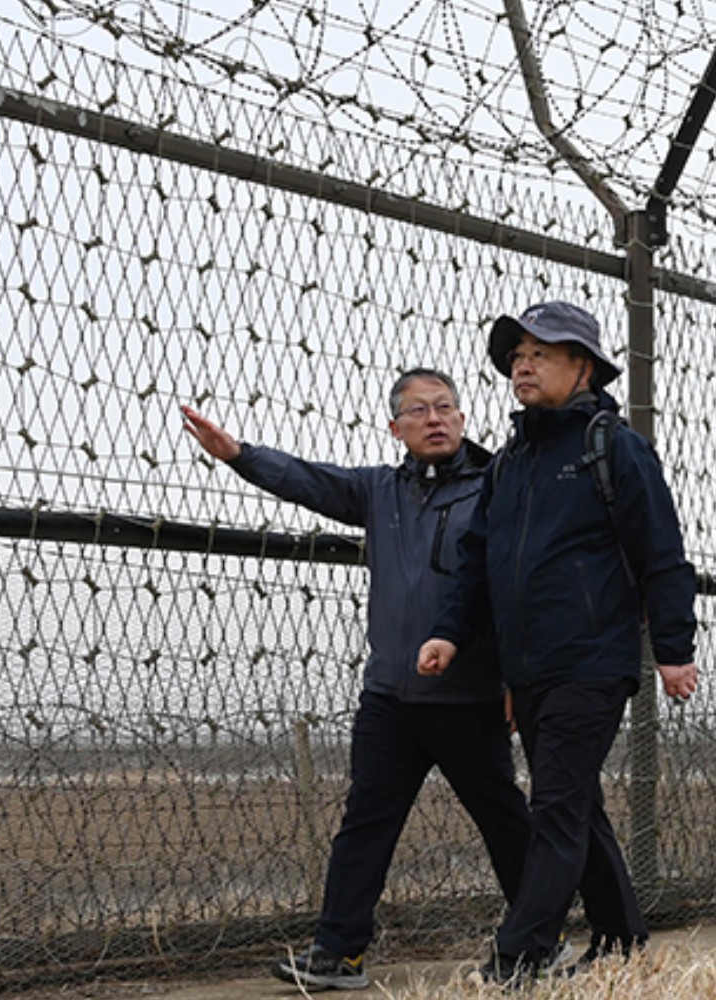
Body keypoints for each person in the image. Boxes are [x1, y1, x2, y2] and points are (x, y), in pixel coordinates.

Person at [179, 370, 531, 992]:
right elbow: (309, 481)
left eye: (446, 407)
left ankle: (537, 940)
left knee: (504, 821)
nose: (435, 419)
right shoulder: (378, 491)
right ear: (396, 428)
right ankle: (339, 954)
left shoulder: (499, 487)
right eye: (419, 410)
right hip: (390, 699)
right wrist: (238, 455)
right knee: (365, 824)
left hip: (469, 697)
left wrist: (515, 676)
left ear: (464, 418)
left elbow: (515, 589)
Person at [416, 301, 699, 985]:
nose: (523, 364)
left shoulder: (613, 446)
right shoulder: (511, 462)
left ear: (583, 367)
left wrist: (673, 647)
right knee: (574, 802)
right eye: (516, 356)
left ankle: (517, 958)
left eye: (540, 352)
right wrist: (450, 634)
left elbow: (662, 550)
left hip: (593, 660)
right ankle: (623, 940)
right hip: (530, 668)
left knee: (556, 806)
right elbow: (480, 562)